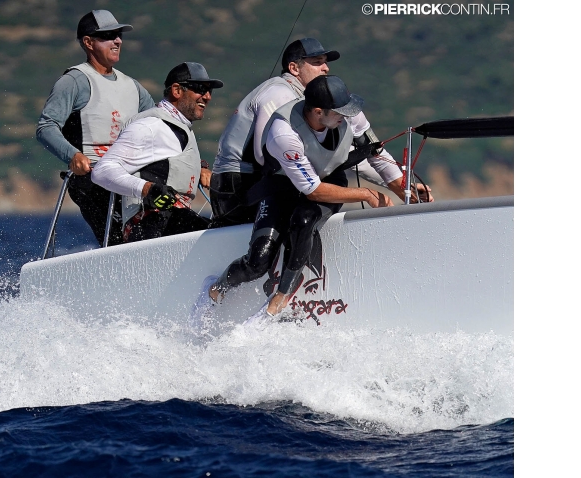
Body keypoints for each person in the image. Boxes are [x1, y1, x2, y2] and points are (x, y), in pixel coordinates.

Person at [192, 75, 434, 325]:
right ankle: (215, 288)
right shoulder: (283, 132)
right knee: (257, 261)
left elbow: (375, 153)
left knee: (303, 220)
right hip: (284, 185)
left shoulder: (350, 115)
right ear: (318, 112)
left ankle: (281, 298)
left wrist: (405, 188)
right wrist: (366, 194)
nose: (346, 116)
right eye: (339, 112)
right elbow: (312, 190)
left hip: (331, 179)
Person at [36, 10, 155, 246]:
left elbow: (161, 126)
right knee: (122, 243)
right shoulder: (74, 81)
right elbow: (46, 127)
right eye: (109, 36)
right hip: (93, 180)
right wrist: (73, 155)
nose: (118, 40)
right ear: (88, 42)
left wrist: (199, 166)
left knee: (154, 232)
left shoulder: (133, 86)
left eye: (118, 35)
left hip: (131, 176)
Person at [209, 38, 339, 228]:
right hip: (237, 185)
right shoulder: (280, 93)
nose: (326, 68)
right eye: (318, 62)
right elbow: (265, 157)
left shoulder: (299, 96)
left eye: (325, 62)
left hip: (243, 182)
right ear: (294, 68)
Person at [91, 62, 223, 243]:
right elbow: (101, 171)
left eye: (210, 91)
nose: (207, 96)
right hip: (150, 225)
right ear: (177, 91)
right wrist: (147, 189)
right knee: (221, 237)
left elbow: (167, 161)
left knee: (222, 231)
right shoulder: (151, 126)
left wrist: (199, 168)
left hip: (173, 223)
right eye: (200, 89)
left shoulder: (179, 128)